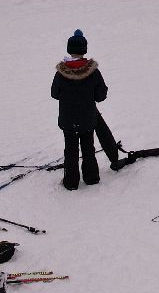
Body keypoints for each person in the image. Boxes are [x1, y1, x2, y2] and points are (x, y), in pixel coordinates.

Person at [51, 30, 121, 190]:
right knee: (88, 148)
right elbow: (101, 95)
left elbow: (54, 94)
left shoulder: (61, 73)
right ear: (84, 50)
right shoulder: (93, 72)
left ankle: (70, 182)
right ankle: (91, 178)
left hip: (68, 120)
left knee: (70, 150)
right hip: (88, 119)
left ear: (69, 49)